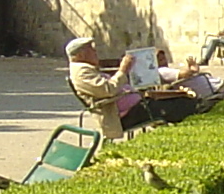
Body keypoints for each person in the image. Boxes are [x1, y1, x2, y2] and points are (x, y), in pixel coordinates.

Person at [65, 37, 205, 140]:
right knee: (183, 105)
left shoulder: (85, 68)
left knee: (180, 99)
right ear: (81, 55)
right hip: (127, 114)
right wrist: (123, 70)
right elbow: (108, 90)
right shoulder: (81, 72)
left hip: (136, 106)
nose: (95, 52)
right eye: (91, 50)